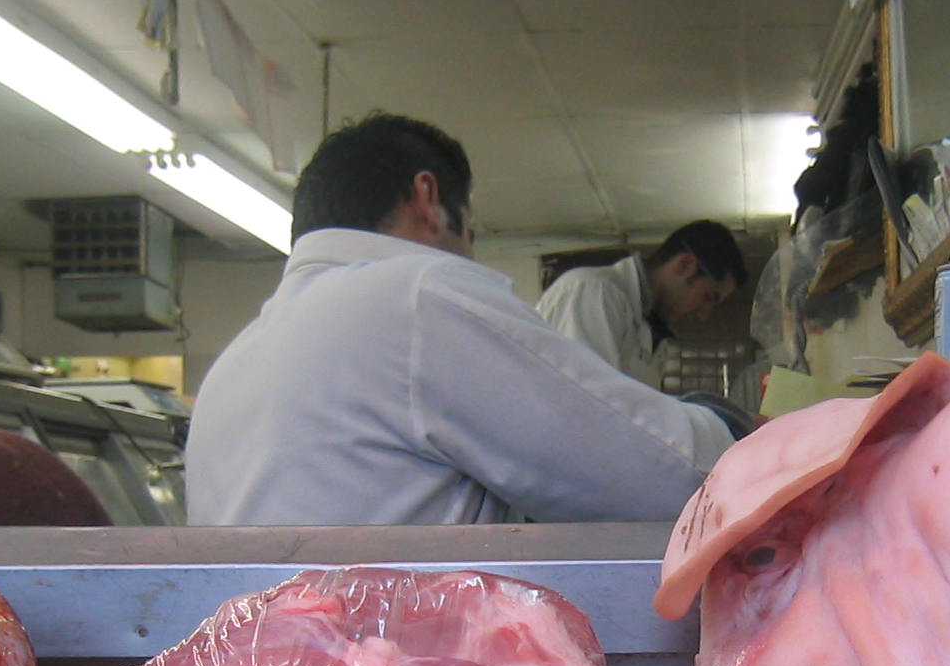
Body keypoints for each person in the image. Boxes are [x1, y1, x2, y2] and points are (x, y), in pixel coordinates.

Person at [184, 112, 740, 527]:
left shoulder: (235, 364)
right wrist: (743, 433)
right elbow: (664, 477)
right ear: (429, 199)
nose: (468, 253)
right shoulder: (414, 297)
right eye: (471, 230)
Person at [536, 220, 747, 389]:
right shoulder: (595, 291)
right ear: (685, 266)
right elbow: (586, 400)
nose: (703, 315)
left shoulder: (650, 328)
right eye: (708, 298)